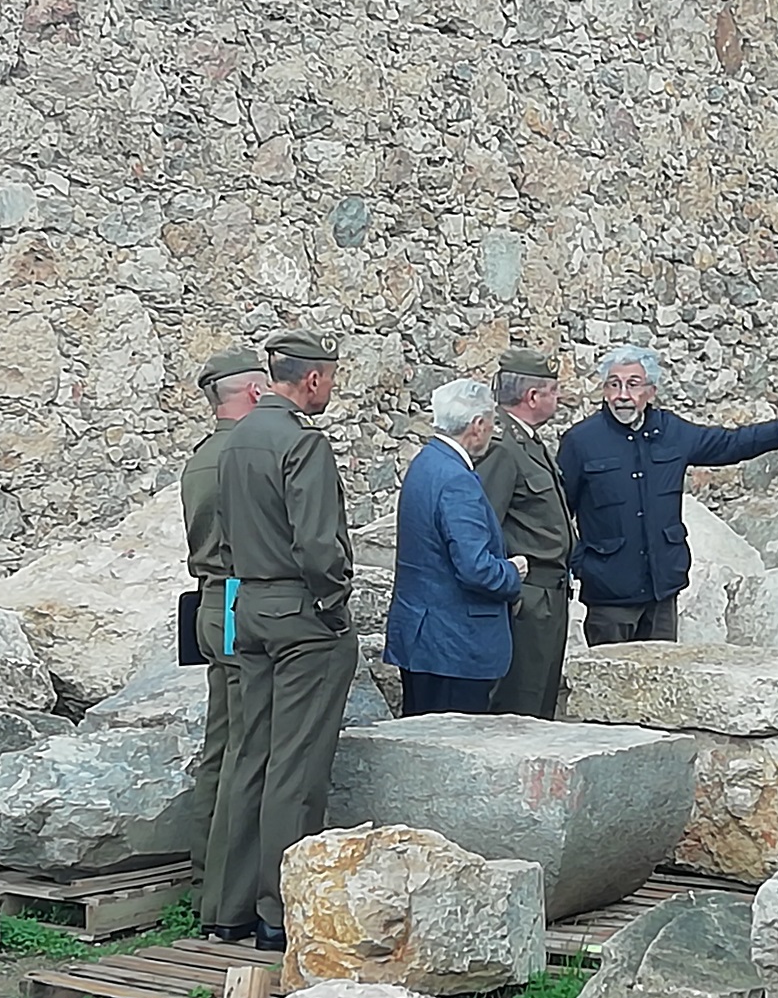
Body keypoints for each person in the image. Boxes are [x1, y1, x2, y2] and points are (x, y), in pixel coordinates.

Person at [214, 329, 357, 952]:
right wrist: (334, 602)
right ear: (314, 379)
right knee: (296, 767)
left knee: (252, 755)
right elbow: (319, 545)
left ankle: (228, 905)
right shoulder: (302, 444)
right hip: (300, 612)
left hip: (249, 606)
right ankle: (282, 911)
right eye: (331, 378)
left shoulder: (235, 437)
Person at [557, 345, 778, 645]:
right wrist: (582, 564)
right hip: (609, 596)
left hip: (662, 593)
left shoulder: (671, 431)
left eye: (633, 384)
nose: (622, 395)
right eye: (613, 384)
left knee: (664, 682)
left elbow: (731, 443)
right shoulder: (581, 442)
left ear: (651, 391)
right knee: (611, 684)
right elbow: (557, 513)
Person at [179, 348, 266, 929]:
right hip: (238, 597)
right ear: (255, 393)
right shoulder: (240, 454)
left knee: (220, 742)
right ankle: (225, 887)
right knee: (245, 744)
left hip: (211, 600)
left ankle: (203, 870)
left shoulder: (201, 458)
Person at [385, 378, 526, 715]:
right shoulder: (457, 480)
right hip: (456, 647)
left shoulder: (425, 462)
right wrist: (512, 572)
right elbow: (476, 568)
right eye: (492, 422)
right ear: (477, 425)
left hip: (423, 638)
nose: (494, 431)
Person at [475, 348, 576, 719]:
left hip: (550, 594)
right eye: (553, 390)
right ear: (533, 396)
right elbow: (485, 524)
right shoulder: (503, 447)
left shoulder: (528, 441)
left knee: (541, 702)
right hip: (528, 597)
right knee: (520, 707)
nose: (558, 398)